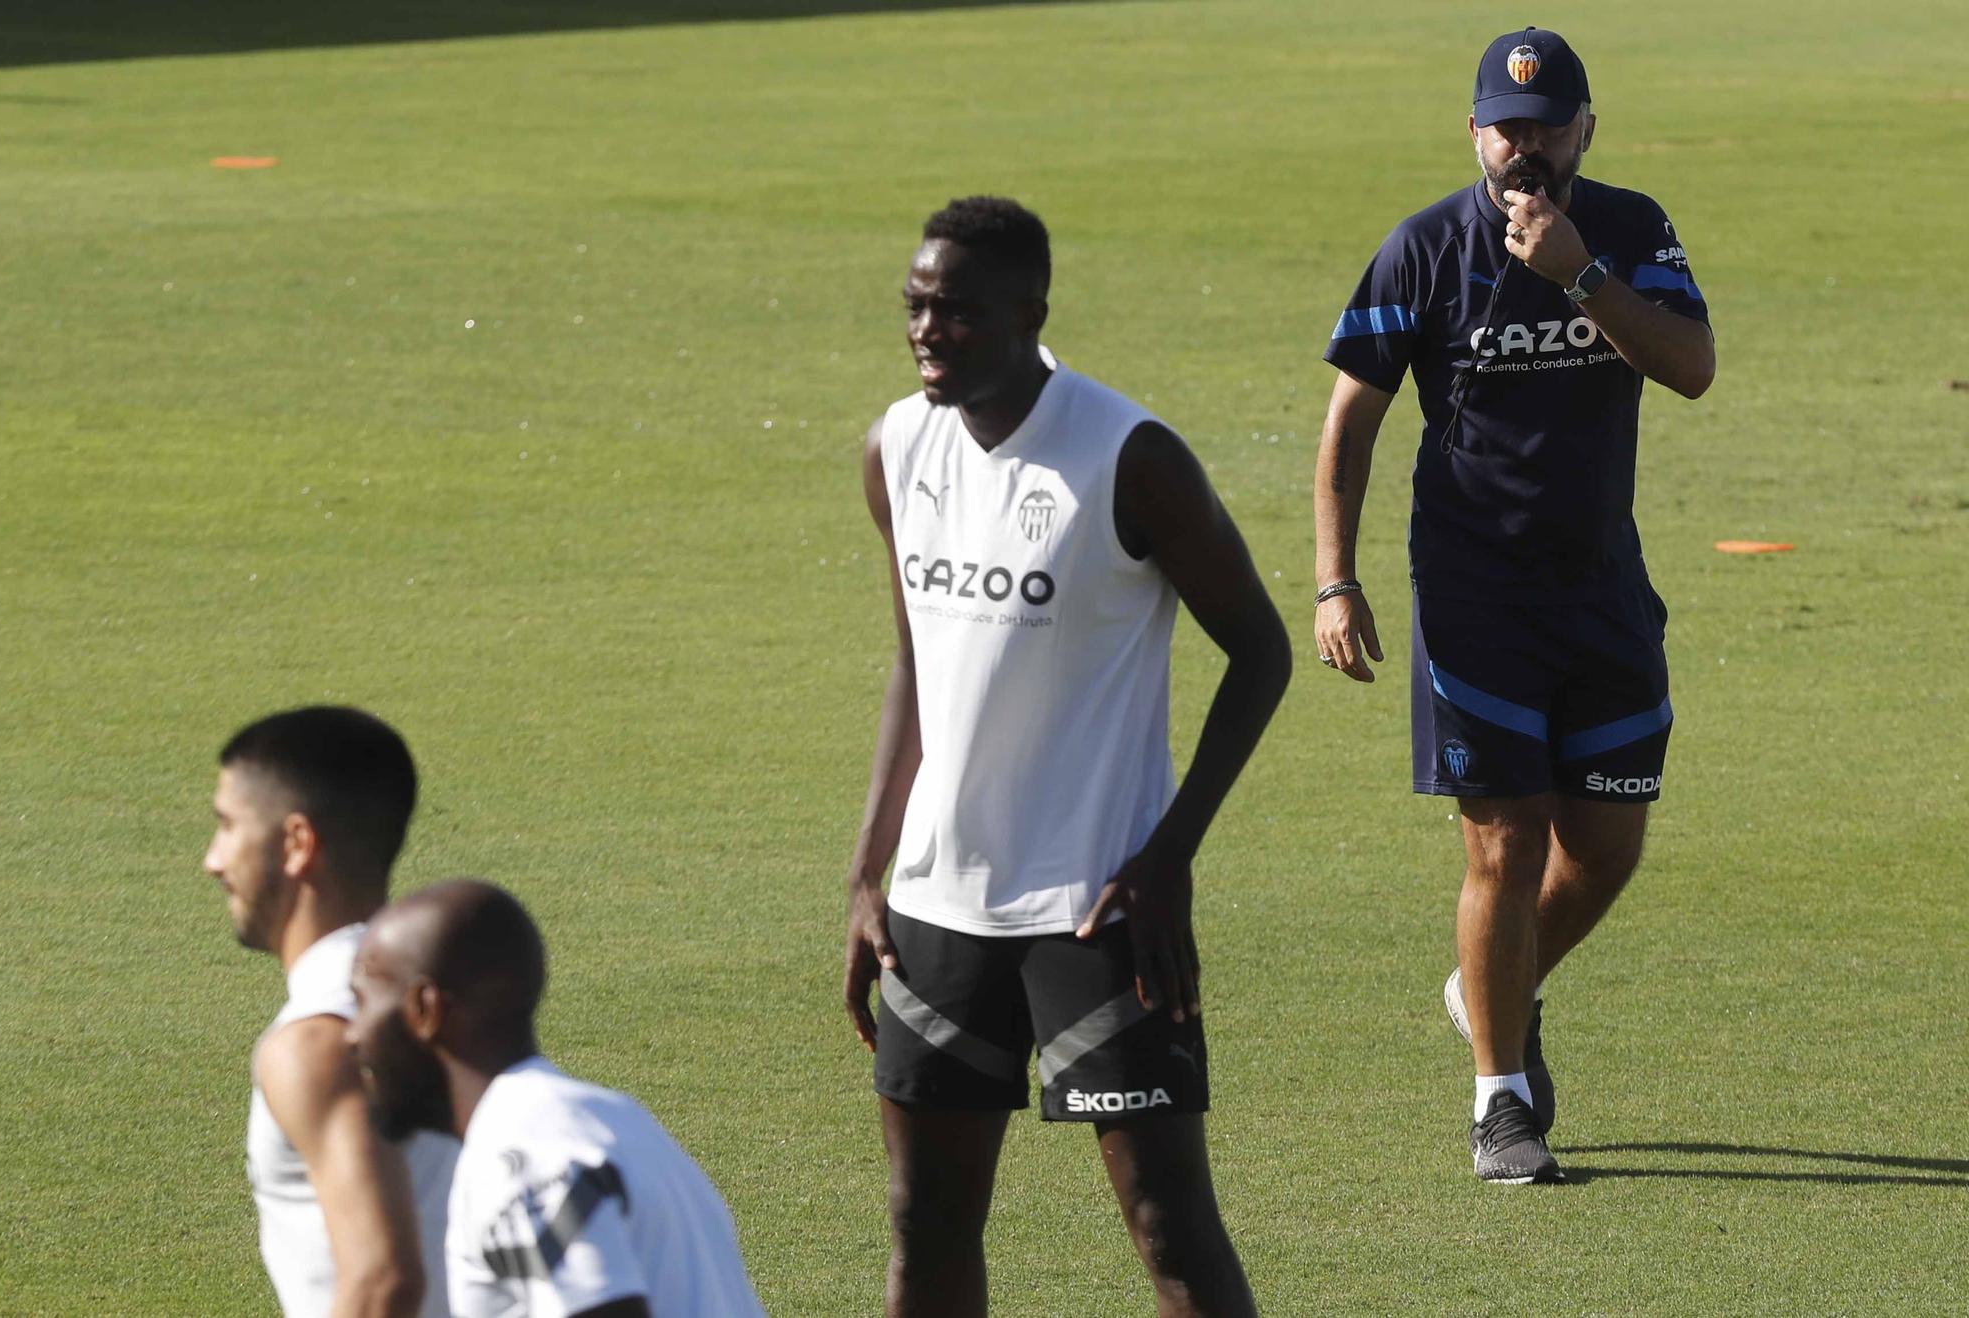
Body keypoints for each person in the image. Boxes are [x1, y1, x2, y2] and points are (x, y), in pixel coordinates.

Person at [842, 196, 1291, 1316]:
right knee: (925, 1222)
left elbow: (1260, 653)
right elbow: (916, 669)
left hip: (1094, 909)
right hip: (938, 908)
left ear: (1030, 313)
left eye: (957, 310)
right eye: (915, 306)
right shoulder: (895, 447)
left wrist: (1169, 852)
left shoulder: (1125, 456)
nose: (927, 329)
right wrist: (867, 874)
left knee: (1166, 1226)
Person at [1312, 27, 1715, 1184]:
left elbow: (1688, 367)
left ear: (1586, 128)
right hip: (1472, 592)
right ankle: (1500, 1102)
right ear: (1473, 132)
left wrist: (1578, 275)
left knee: (1604, 846)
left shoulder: (1631, 229)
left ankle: (1494, 983)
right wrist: (1336, 579)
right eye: (1502, 126)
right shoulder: (1423, 246)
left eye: (1542, 126)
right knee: (1503, 840)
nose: (1520, 148)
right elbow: (1351, 423)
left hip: (1600, 589)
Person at [346, 879, 765, 1318]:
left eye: (361, 1001)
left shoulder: (519, 1162)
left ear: (424, 1010)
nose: (350, 1035)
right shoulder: (612, 1119)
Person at [204, 706, 458, 1315]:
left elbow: (383, 1281)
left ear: (297, 844)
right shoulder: (445, 1002)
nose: (213, 860)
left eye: (227, 827)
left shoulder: (319, 1043)